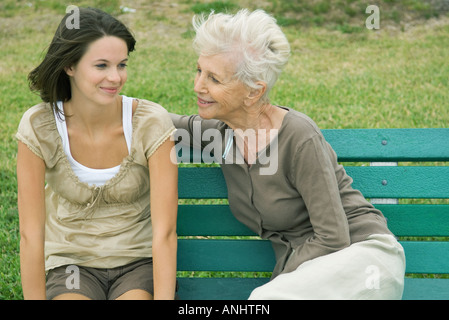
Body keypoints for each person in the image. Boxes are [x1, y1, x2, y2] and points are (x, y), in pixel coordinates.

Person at [171, 9, 406, 299]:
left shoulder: (299, 136)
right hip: (312, 274)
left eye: (214, 79)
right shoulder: (220, 134)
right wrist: (110, 102)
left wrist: (278, 284)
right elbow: (159, 120)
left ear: (253, 93)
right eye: (199, 71)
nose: (198, 86)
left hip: (364, 259)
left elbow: (332, 238)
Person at [16, 7, 178, 300]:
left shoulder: (150, 123)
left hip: (137, 263)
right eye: (101, 66)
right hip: (72, 265)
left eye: (122, 65)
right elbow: (30, 235)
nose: (115, 77)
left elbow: (165, 233)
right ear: (70, 66)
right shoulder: (38, 126)